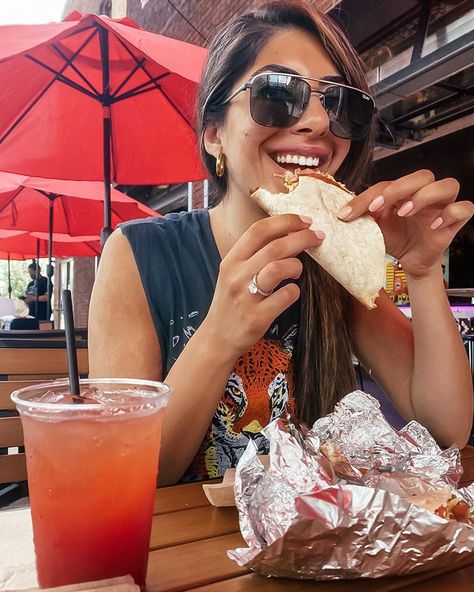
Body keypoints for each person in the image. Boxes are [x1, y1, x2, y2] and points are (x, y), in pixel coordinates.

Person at [89, 0, 474, 485]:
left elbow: (445, 429)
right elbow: (124, 472)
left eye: (340, 103)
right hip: (179, 553)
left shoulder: (330, 260)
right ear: (214, 134)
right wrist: (221, 332)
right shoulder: (138, 253)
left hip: (311, 547)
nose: (316, 122)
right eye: (276, 92)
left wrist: (421, 272)